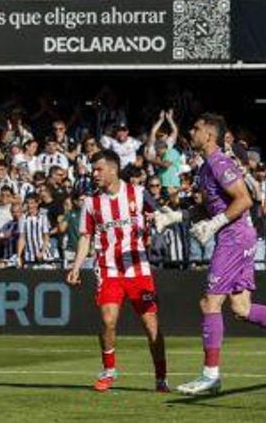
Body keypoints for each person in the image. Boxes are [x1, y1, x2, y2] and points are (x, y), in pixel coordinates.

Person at [177, 113, 266, 396]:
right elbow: (208, 208)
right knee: (242, 309)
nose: (191, 132)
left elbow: (244, 199)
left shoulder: (219, 162)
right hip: (235, 236)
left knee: (209, 303)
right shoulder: (205, 168)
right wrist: (174, 216)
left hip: (234, 238)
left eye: (195, 128)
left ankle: (211, 376)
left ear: (209, 135)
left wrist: (216, 223)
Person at [67, 150, 168, 393]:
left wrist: (157, 220)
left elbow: (162, 215)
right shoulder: (91, 202)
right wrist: (76, 267)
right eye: (93, 170)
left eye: (99, 169)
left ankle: (161, 377)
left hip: (138, 269)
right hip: (108, 268)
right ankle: (109, 370)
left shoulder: (138, 193)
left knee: (151, 325)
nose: (95, 174)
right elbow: (85, 237)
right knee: (108, 320)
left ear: (113, 169)